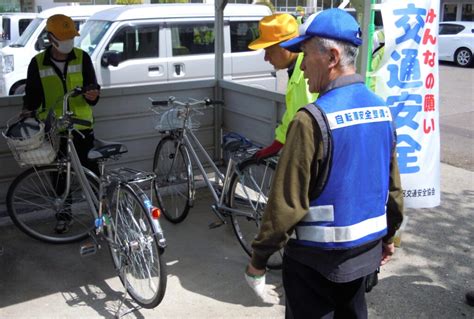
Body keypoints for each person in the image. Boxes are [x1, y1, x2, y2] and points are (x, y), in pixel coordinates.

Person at [244, 8, 404, 318]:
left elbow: (284, 206)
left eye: (305, 53)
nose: (302, 67)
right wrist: (389, 237)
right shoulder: (382, 111)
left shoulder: (312, 120)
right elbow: (394, 189)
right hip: (364, 256)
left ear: (331, 57)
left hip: (314, 265)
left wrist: (258, 260)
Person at [22, 14, 101, 234]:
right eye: (64, 37)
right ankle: (64, 216)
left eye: (71, 37)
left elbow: (93, 89)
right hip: (54, 129)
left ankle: (101, 215)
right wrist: (26, 114)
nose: (69, 41)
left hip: (81, 126)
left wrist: (93, 95)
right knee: (58, 175)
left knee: (91, 172)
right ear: (51, 38)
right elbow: (32, 97)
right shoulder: (38, 63)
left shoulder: (82, 57)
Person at [248, 13, 317, 160]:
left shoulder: (307, 77)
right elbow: (293, 114)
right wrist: (278, 143)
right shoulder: (296, 70)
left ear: (287, 46)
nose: (266, 58)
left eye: (269, 51)